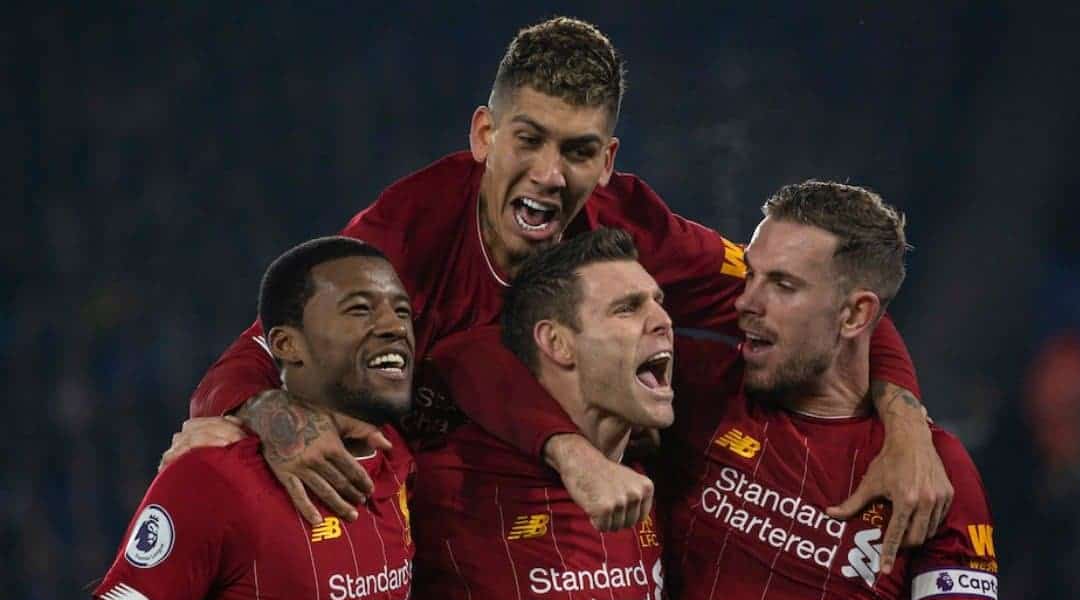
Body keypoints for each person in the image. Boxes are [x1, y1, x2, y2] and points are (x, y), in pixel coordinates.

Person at [176, 17, 951, 560]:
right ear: (485, 136)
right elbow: (245, 365)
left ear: (607, 159)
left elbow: (816, 300)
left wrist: (906, 422)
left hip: (586, 538)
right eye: (529, 139)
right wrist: (273, 415)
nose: (550, 174)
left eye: (577, 150)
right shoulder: (399, 238)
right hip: (428, 542)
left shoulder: (631, 232)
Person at [656, 182, 997, 600]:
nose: (745, 303)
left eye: (783, 286)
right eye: (752, 276)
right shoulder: (698, 395)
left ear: (855, 314)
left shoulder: (930, 475)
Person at [63, 237, 418, 600]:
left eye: (401, 310)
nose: (393, 325)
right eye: (359, 309)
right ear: (285, 345)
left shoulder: (396, 460)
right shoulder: (212, 481)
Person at [402, 227, 671, 600]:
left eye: (658, 302)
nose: (661, 319)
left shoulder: (650, 488)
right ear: (557, 342)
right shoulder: (445, 485)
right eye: (627, 308)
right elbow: (457, 353)